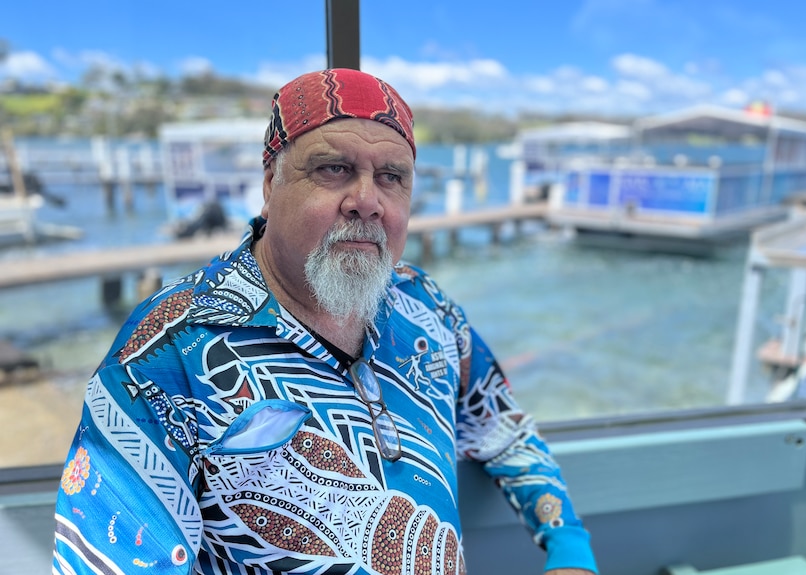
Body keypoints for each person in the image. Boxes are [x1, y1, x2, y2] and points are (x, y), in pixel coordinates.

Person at [53, 68, 598, 575]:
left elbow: (500, 424)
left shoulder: (424, 305)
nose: (367, 201)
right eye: (333, 169)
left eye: (392, 177)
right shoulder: (168, 352)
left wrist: (568, 546)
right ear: (270, 184)